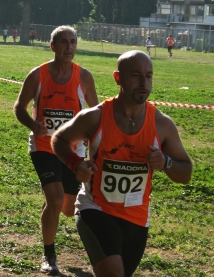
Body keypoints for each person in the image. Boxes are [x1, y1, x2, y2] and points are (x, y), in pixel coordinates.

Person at [51, 50, 193, 277]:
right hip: (96, 208)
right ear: (118, 78)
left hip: (137, 217)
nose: (143, 82)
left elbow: (186, 172)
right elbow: (59, 139)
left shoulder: (162, 124)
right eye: (136, 75)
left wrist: (166, 162)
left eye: (148, 76)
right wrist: (75, 164)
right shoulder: (95, 117)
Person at [14, 25, 99, 275]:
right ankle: (49, 255)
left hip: (73, 149)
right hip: (43, 145)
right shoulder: (38, 75)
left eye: (73, 42)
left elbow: (97, 116)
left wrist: (95, 150)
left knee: (67, 207)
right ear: (52, 46)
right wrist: (33, 124)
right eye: (63, 42)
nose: (69, 47)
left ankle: (54, 215)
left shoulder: (84, 77)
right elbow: (19, 106)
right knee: (54, 198)